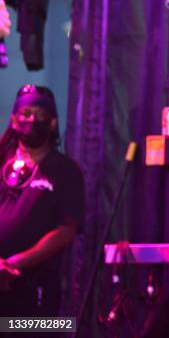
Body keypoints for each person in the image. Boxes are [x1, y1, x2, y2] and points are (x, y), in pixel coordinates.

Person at [0, 84, 84, 337]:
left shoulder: (66, 170)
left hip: (36, 291)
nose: (32, 119)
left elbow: (66, 230)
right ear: (14, 119)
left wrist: (14, 265)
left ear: (52, 122)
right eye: (25, 113)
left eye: (40, 114)